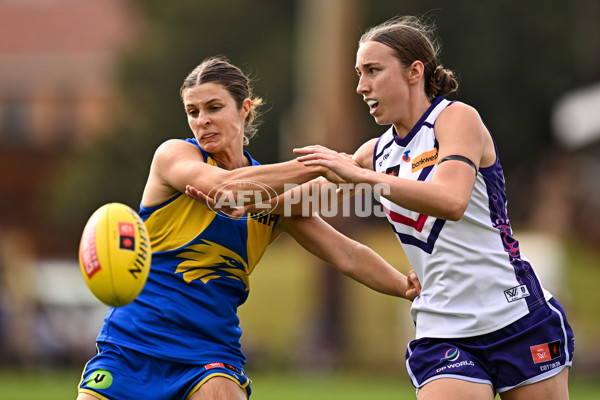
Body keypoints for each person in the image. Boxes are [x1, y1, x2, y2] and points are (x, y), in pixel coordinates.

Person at [76, 56, 420, 400]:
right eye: (193, 112)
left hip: (209, 357)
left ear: (245, 108)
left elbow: (347, 253)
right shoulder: (173, 156)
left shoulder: (273, 201)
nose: (202, 121)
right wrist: (320, 164)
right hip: (131, 344)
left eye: (213, 107)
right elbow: (226, 188)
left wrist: (406, 286)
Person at [293, 15, 575, 400]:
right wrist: (230, 194)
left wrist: (363, 178)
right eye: (359, 74)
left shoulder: (456, 118)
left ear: (414, 72)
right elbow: (296, 205)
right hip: (443, 328)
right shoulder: (373, 154)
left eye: (373, 71)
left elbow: (452, 200)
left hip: (517, 316)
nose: (361, 86)